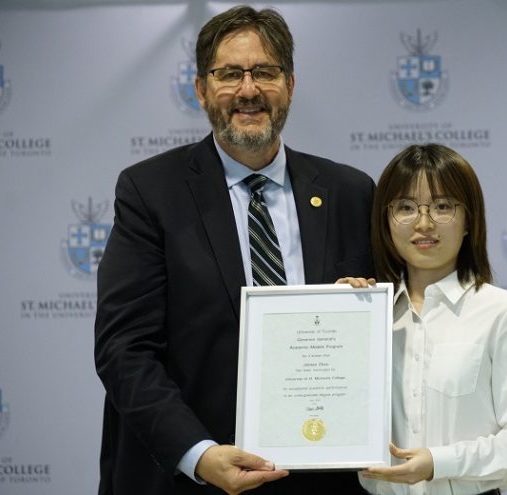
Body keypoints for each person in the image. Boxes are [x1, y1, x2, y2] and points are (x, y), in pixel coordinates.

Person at [94, 6, 374, 495]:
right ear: (201, 89)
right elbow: (124, 350)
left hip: (323, 478)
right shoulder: (149, 191)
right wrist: (198, 454)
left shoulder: (350, 192)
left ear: (290, 84)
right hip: (192, 479)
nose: (248, 90)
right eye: (229, 75)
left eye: (264, 72)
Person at [341, 144, 507, 495]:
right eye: (406, 207)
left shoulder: (504, 313)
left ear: (469, 220)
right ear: (385, 221)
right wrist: (337, 318)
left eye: (442, 207)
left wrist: (438, 462)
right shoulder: (369, 317)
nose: (424, 223)